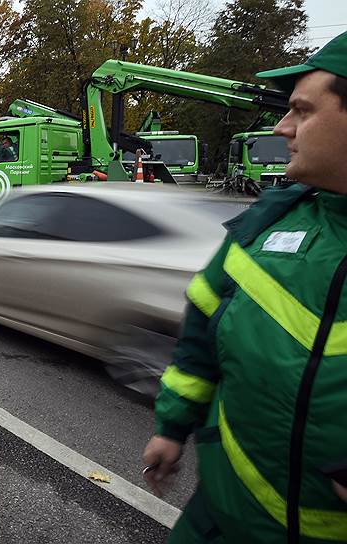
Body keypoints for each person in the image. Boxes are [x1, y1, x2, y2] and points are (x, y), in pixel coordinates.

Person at [143, 31, 347, 543]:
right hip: (216, 520)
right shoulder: (269, 222)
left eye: (302, 110)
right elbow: (201, 331)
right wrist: (172, 426)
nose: (283, 127)